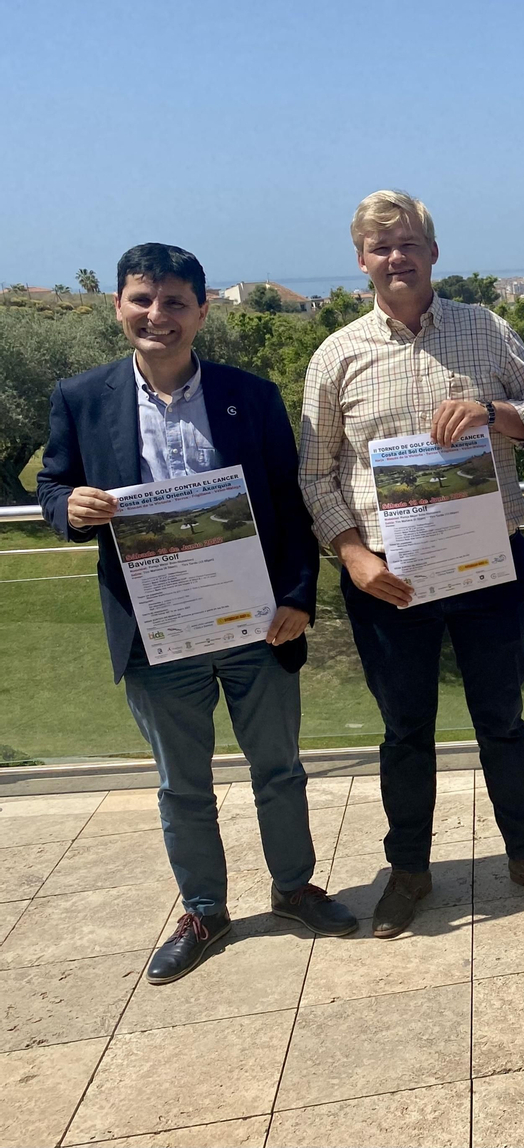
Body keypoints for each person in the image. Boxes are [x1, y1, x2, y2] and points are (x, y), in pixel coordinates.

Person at [36, 243, 355, 982]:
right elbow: (54, 487)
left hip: (257, 623)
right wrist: (69, 508)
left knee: (279, 769)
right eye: (143, 299)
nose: (159, 315)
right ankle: (204, 910)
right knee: (183, 784)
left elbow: (289, 502)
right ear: (118, 306)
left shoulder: (251, 394)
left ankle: (294, 887)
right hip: (157, 632)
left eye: (176, 302)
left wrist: (299, 597)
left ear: (202, 312)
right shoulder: (81, 398)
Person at [299, 190, 524, 938]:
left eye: (409, 241)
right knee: (405, 732)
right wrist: (352, 557)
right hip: (390, 579)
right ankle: (410, 872)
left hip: (491, 567)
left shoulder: (486, 331)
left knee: (504, 721)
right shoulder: (337, 356)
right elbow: (315, 476)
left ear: (433, 251)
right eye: (381, 245)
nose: (397, 256)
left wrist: (495, 413)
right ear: (362, 260)